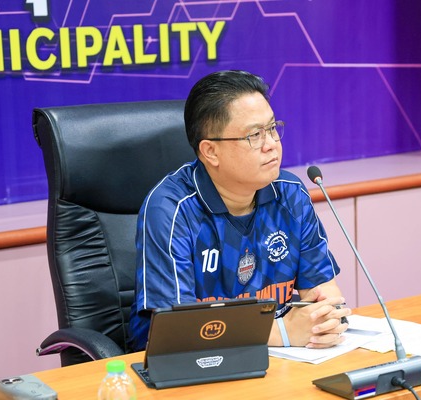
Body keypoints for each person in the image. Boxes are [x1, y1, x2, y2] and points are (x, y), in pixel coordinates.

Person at [128, 70, 350, 352]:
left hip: (279, 358)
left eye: (272, 128)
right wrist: (281, 332)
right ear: (210, 151)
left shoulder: (290, 194)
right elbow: (177, 330)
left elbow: (323, 291)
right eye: (254, 135)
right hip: (187, 364)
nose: (271, 144)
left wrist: (326, 323)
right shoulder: (172, 210)